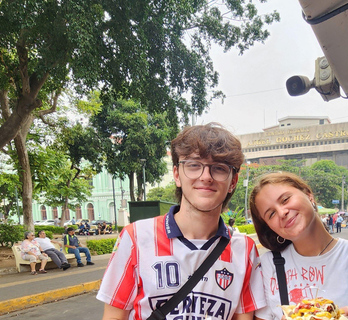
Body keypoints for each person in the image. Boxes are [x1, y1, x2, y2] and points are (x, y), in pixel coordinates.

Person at [97, 123, 266, 320]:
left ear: (233, 182)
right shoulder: (135, 238)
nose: (206, 177)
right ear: (177, 175)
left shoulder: (244, 250)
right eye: (194, 165)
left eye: (219, 168)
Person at [249, 172, 348, 320]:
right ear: (270, 227)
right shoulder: (268, 265)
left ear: (308, 195)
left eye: (285, 200)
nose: (282, 212)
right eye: (271, 214)